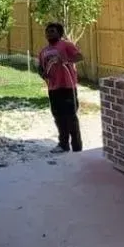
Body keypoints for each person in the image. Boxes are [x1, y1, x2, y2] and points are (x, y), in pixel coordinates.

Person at [38, 22, 83, 152]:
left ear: (59, 33)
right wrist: (43, 74)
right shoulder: (43, 51)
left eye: (52, 31)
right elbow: (40, 67)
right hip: (53, 88)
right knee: (58, 117)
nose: (49, 34)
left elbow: (79, 57)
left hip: (68, 86)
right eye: (47, 32)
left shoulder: (66, 45)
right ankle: (63, 145)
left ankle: (77, 147)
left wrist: (66, 60)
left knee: (71, 117)